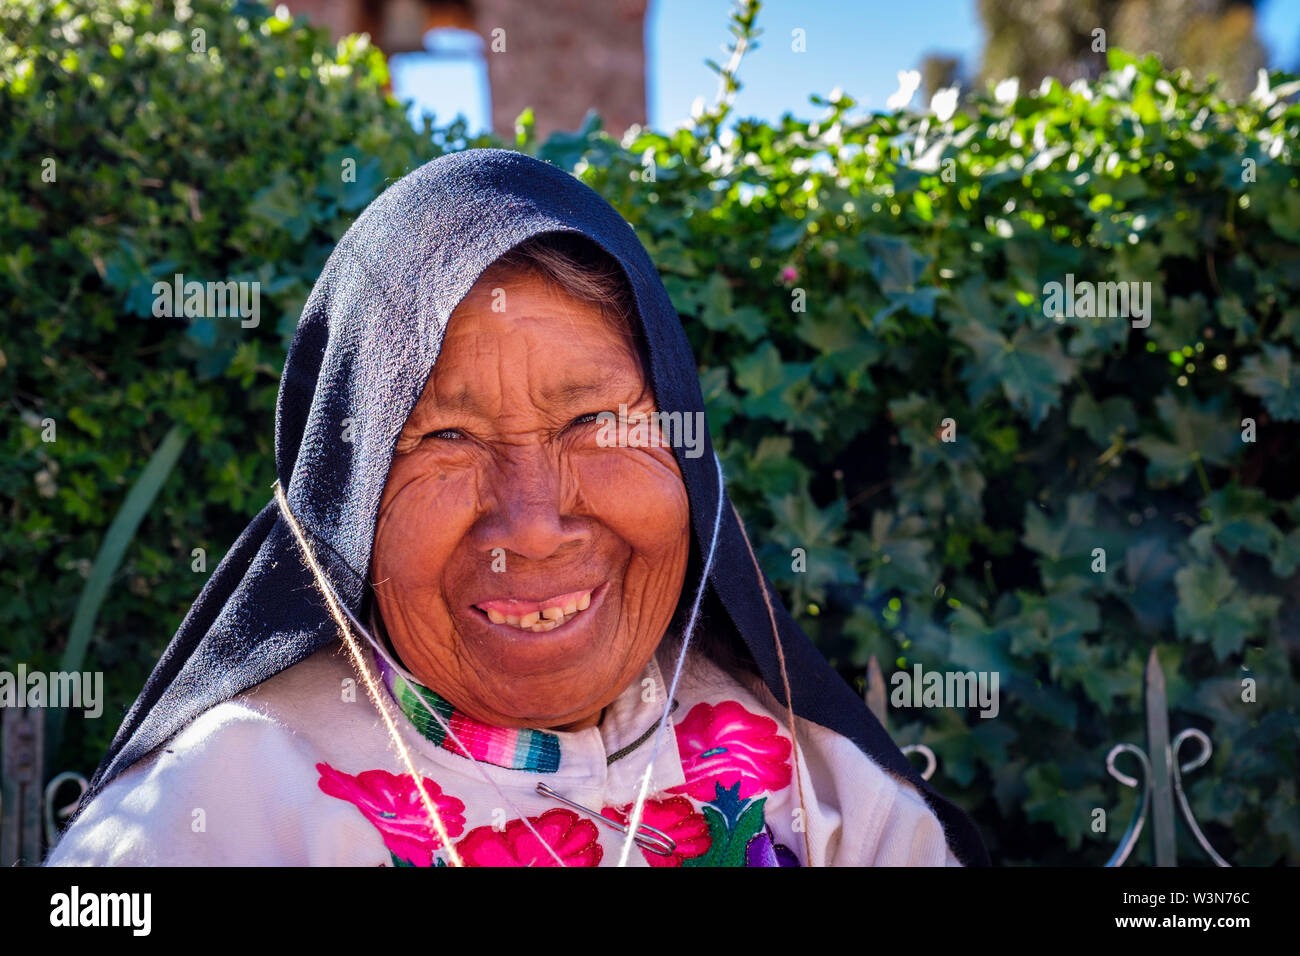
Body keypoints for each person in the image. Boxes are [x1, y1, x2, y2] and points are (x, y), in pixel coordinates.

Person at [46, 149, 988, 867]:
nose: (532, 525)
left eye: (593, 421)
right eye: (446, 440)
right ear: (350, 493)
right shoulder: (218, 811)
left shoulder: (830, 796)